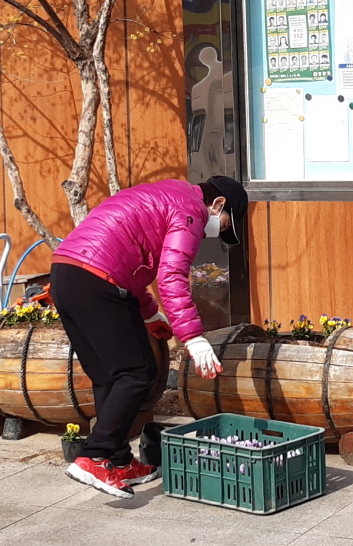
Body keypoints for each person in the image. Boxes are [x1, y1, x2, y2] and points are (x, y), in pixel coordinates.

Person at [49, 175, 246, 497]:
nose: (213, 232)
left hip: (68, 274)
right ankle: (94, 456)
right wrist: (193, 338)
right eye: (224, 224)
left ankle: (118, 460)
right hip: (99, 281)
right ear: (218, 204)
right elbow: (171, 276)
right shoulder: (191, 211)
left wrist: (151, 315)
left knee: (110, 377)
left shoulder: (168, 194)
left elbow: (132, 262)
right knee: (135, 374)